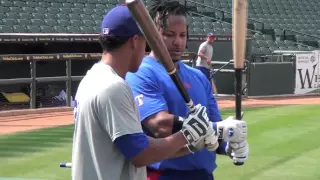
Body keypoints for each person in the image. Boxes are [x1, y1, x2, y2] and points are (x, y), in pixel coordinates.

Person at [71, 5, 219, 180]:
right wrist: (187, 134)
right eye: (145, 40)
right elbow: (141, 155)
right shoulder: (114, 87)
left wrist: (191, 145)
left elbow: (142, 147)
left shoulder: (91, 79)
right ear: (135, 41)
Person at [125, 1, 249, 180]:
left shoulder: (198, 77)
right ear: (153, 35)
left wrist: (230, 146)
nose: (178, 42)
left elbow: (215, 131)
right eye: (170, 34)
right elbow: (160, 126)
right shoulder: (141, 73)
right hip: (164, 175)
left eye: (183, 35)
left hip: (204, 175)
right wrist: (219, 129)